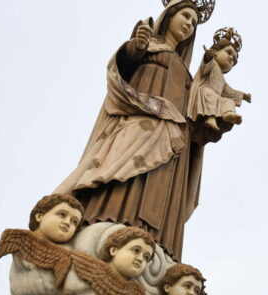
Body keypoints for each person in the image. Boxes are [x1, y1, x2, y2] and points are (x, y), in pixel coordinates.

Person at [54, 0, 215, 260]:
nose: (189, 24)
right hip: (140, 128)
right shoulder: (149, 46)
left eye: (194, 23)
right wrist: (136, 47)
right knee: (122, 177)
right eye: (185, 16)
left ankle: (155, 249)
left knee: (158, 193)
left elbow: (197, 117)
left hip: (173, 146)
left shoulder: (188, 76)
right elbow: (123, 67)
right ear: (169, 15)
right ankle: (109, 228)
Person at [187, 27, 251, 133]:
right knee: (210, 94)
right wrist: (207, 57)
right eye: (228, 52)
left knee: (228, 101)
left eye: (234, 59)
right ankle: (210, 118)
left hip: (216, 98)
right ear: (215, 52)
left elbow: (229, 91)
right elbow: (204, 67)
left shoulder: (222, 78)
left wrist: (244, 96)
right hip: (203, 91)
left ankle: (227, 115)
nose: (231, 58)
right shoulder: (212, 64)